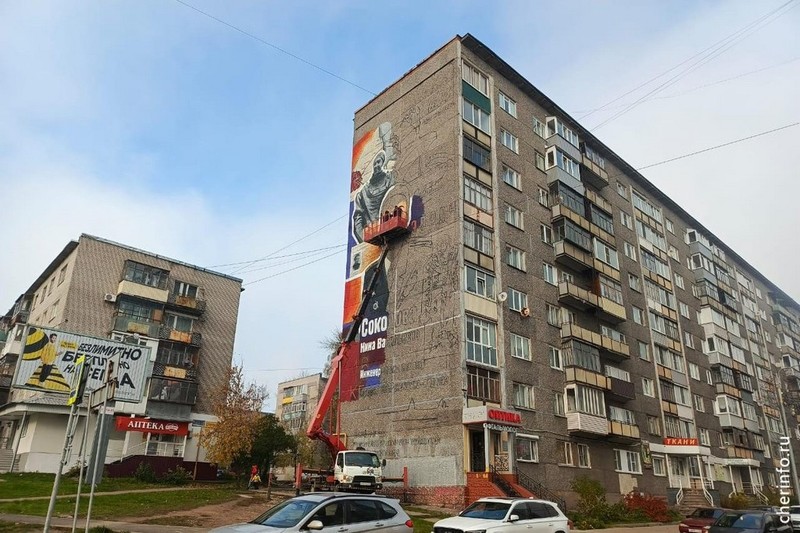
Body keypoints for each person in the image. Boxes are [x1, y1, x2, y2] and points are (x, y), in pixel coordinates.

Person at [352, 151, 395, 242]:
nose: (376, 165)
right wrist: (364, 239)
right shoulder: (363, 192)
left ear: (383, 162)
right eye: (374, 163)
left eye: (378, 162)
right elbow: (358, 218)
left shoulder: (391, 178)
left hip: (391, 224)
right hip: (373, 232)